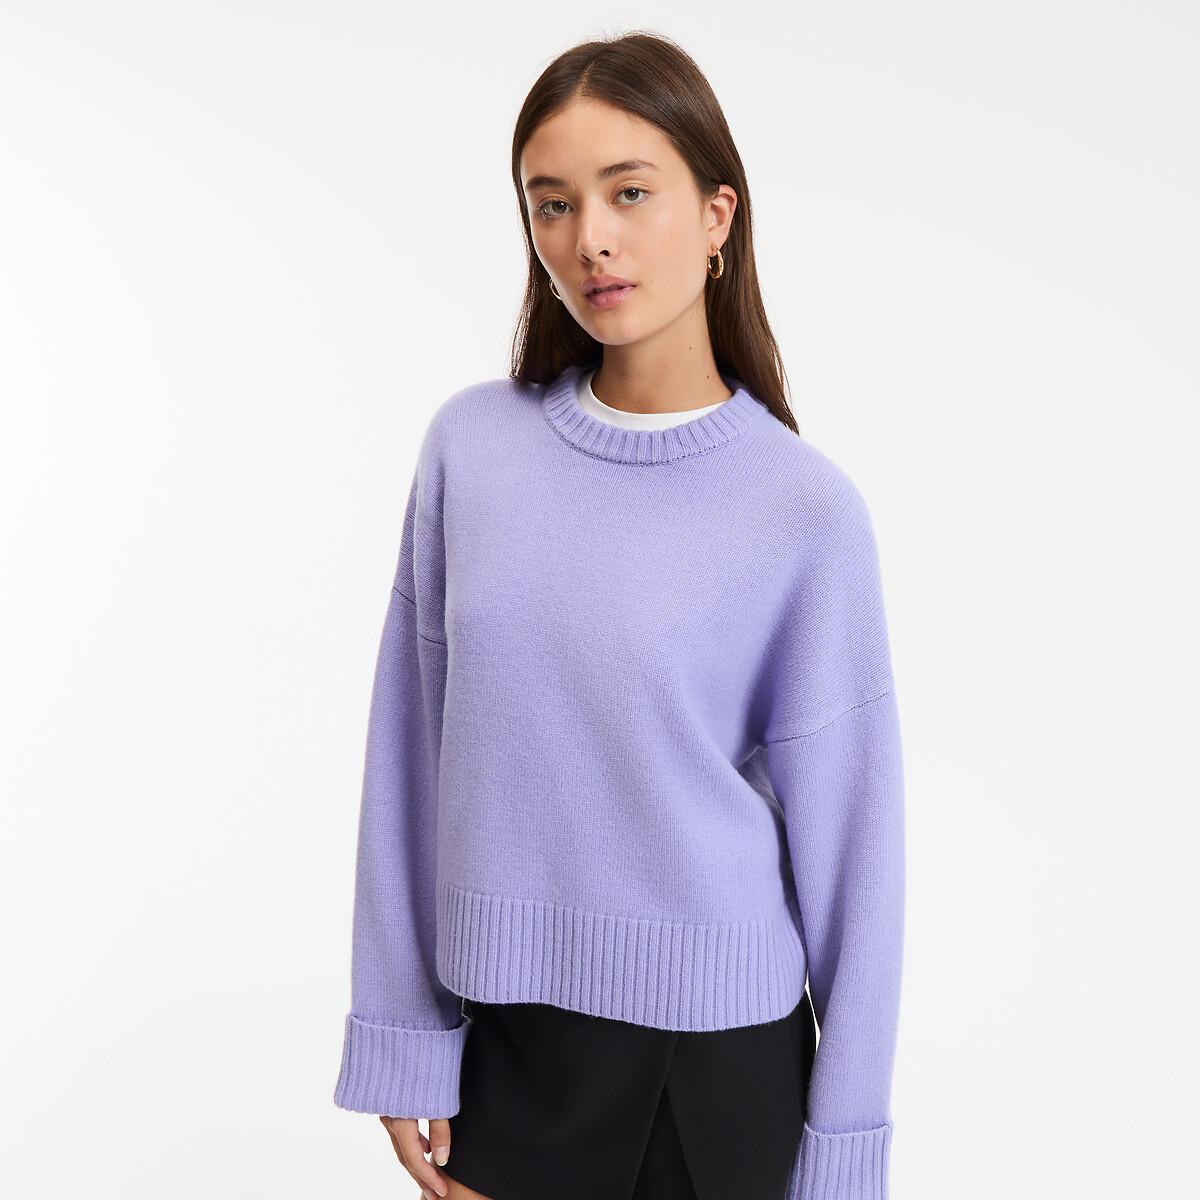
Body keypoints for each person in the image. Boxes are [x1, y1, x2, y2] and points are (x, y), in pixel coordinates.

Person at [333, 31, 906, 1200]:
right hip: (510, 1059)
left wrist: (847, 1146)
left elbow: (858, 855)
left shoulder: (803, 511)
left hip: (721, 1078)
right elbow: (411, 752)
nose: (588, 237)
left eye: (629, 192)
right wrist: (403, 1031)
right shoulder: (471, 452)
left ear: (716, 215)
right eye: (552, 204)